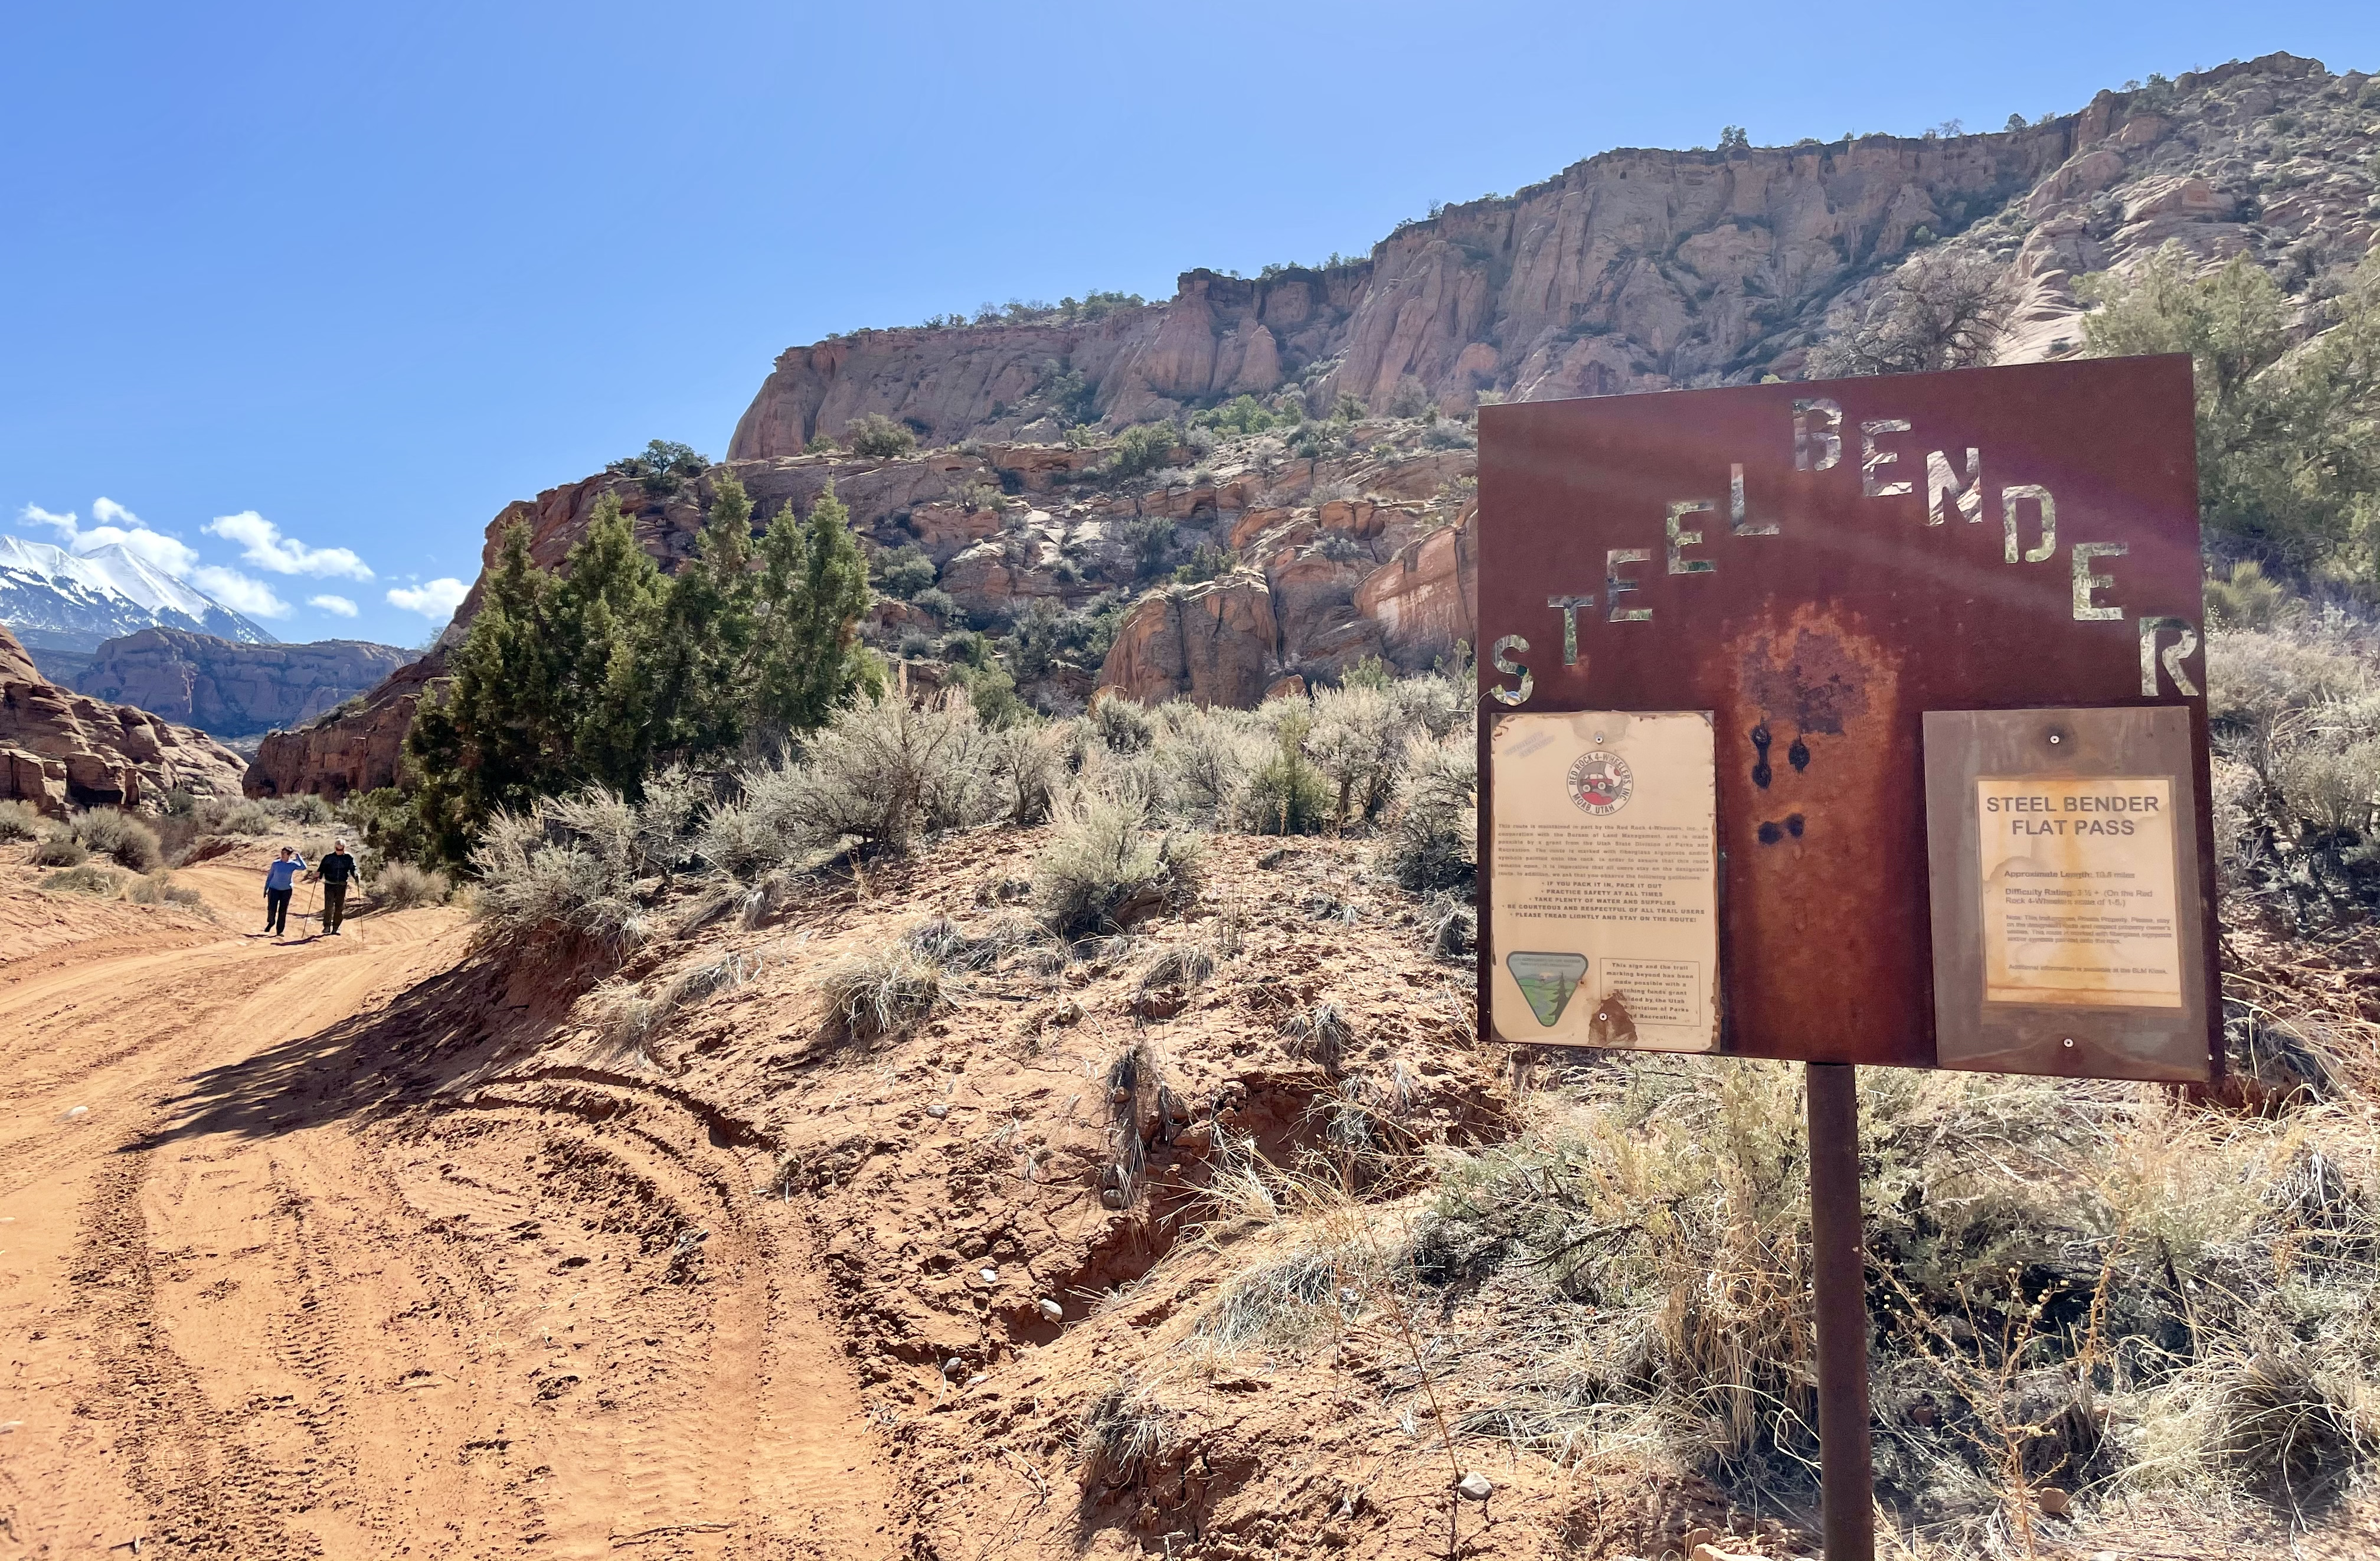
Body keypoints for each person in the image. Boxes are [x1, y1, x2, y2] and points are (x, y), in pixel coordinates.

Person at [315, 838, 361, 936]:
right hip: (329, 884)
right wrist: (318, 875)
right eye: (337, 849)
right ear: (335, 848)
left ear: (344, 848)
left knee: (339, 908)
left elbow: (353, 868)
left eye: (341, 849)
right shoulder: (328, 858)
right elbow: (321, 869)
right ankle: (327, 926)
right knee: (329, 907)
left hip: (342, 885)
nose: (339, 851)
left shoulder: (349, 858)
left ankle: (336, 928)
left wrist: (356, 875)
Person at [263, 845, 308, 938]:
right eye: (282, 853)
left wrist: (299, 857)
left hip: (286, 890)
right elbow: (270, 876)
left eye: (285, 853)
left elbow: (304, 867)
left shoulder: (293, 864)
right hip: (274, 889)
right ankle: (271, 922)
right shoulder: (276, 863)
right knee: (271, 908)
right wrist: (266, 888)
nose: (282, 855)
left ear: (289, 855)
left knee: (283, 911)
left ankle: (280, 931)